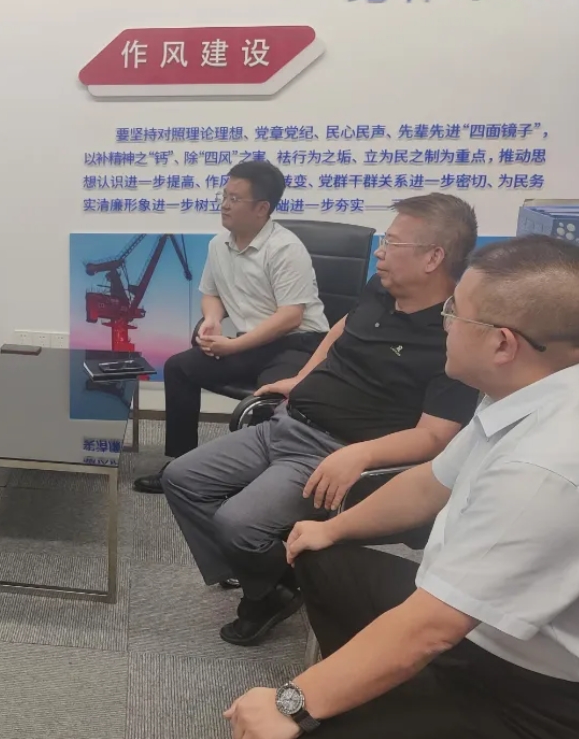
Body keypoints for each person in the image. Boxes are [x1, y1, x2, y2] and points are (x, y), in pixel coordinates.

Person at [225, 235, 579, 739]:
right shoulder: (522, 389)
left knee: (293, 727)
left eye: (455, 314)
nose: (444, 324)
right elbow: (430, 484)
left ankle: (378, 692)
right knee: (320, 554)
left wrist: (292, 703)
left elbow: (433, 628)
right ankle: (376, 683)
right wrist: (331, 528)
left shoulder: (542, 468)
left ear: (503, 344)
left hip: (526, 687)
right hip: (463, 615)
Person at [162, 193, 480, 646]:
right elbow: (341, 328)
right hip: (287, 422)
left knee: (237, 523)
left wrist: (360, 455)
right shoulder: (381, 289)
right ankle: (273, 583)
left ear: (433, 257)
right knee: (181, 478)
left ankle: (263, 588)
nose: (380, 253)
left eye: (392, 243)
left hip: (333, 452)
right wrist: (300, 379)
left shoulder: (454, 337)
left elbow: (436, 436)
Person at [134, 159, 329, 494]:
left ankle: (254, 480)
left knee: (270, 397)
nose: (224, 204)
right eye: (224, 195)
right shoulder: (218, 244)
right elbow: (211, 294)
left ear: (262, 208)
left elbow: (291, 316)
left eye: (234, 199)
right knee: (179, 368)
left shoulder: (285, 248)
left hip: (297, 343)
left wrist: (234, 346)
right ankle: (180, 466)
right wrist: (212, 319)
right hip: (252, 342)